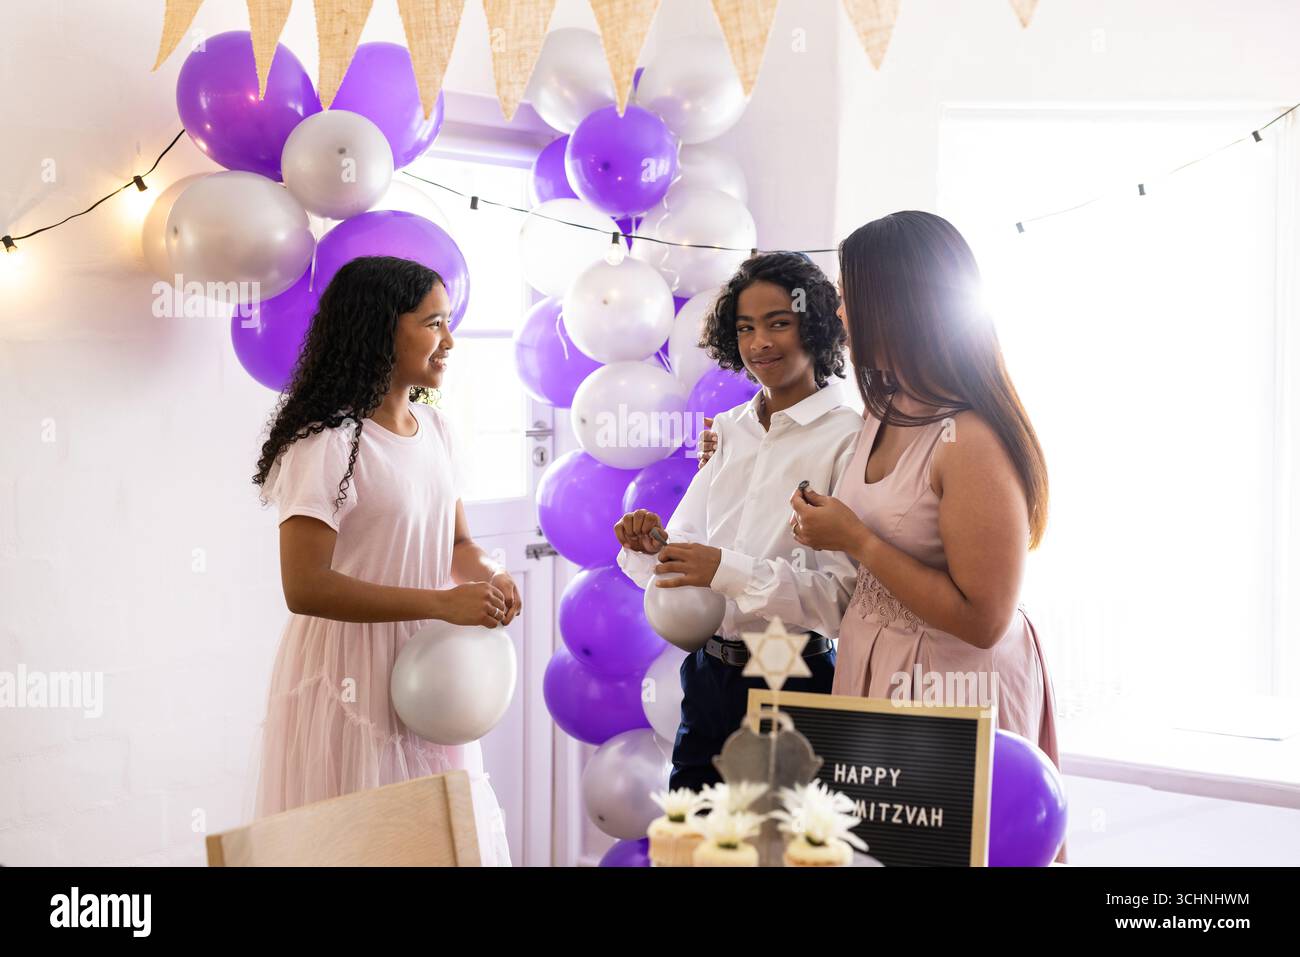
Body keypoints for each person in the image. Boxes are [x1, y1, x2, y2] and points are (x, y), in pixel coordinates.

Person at [249, 255, 513, 865]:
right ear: (379, 329)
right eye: (432, 323)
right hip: (349, 673)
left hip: (428, 672)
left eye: (447, 323)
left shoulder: (437, 428)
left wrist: (491, 578)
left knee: (436, 843)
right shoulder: (328, 443)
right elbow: (305, 587)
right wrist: (443, 602)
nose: (449, 341)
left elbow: (457, 547)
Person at [614, 252, 861, 792]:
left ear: (817, 327)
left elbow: (842, 601)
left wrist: (724, 570)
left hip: (791, 670)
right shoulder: (730, 428)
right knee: (691, 842)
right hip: (708, 676)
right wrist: (651, 546)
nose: (760, 344)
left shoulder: (849, 438)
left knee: (781, 848)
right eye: (746, 327)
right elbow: (689, 549)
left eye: (779, 323)